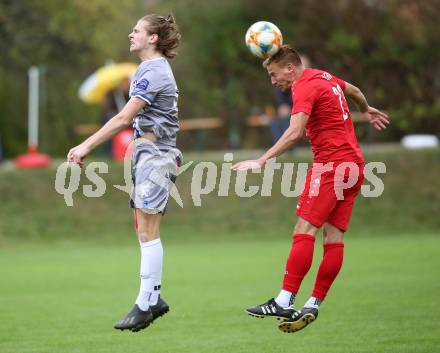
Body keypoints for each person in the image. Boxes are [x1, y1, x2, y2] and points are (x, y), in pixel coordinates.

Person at [232, 46, 389, 333]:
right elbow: (353, 90)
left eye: (273, 73)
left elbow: (294, 132)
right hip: (355, 165)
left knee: (303, 231)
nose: (272, 80)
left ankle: (284, 300)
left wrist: (261, 160)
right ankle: (313, 303)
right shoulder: (325, 77)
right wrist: (366, 109)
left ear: (290, 68)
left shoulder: (303, 86)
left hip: (331, 166)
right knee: (334, 237)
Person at [67, 14, 182, 332]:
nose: (131, 35)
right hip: (148, 157)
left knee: (149, 229)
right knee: (143, 230)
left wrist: (85, 146)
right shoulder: (148, 69)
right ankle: (149, 300)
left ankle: (147, 302)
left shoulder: (154, 70)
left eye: (137, 31)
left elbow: (122, 118)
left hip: (157, 157)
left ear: (153, 38)